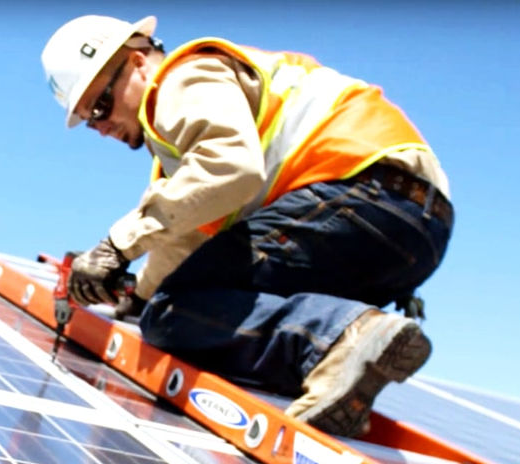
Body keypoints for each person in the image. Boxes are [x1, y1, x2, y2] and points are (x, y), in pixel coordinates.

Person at [40, 14, 452, 438]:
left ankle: (335, 337)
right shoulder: (189, 148)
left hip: (359, 198)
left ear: (138, 62)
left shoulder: (183, 78)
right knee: (186, 309)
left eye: (100, 106)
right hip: (415, 231)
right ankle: (341, 368)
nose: (101, 128)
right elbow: (187, 236)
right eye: (90, 121)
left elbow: (229, 169)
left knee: (174, 313)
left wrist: (116, 248)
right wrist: (138, 297)